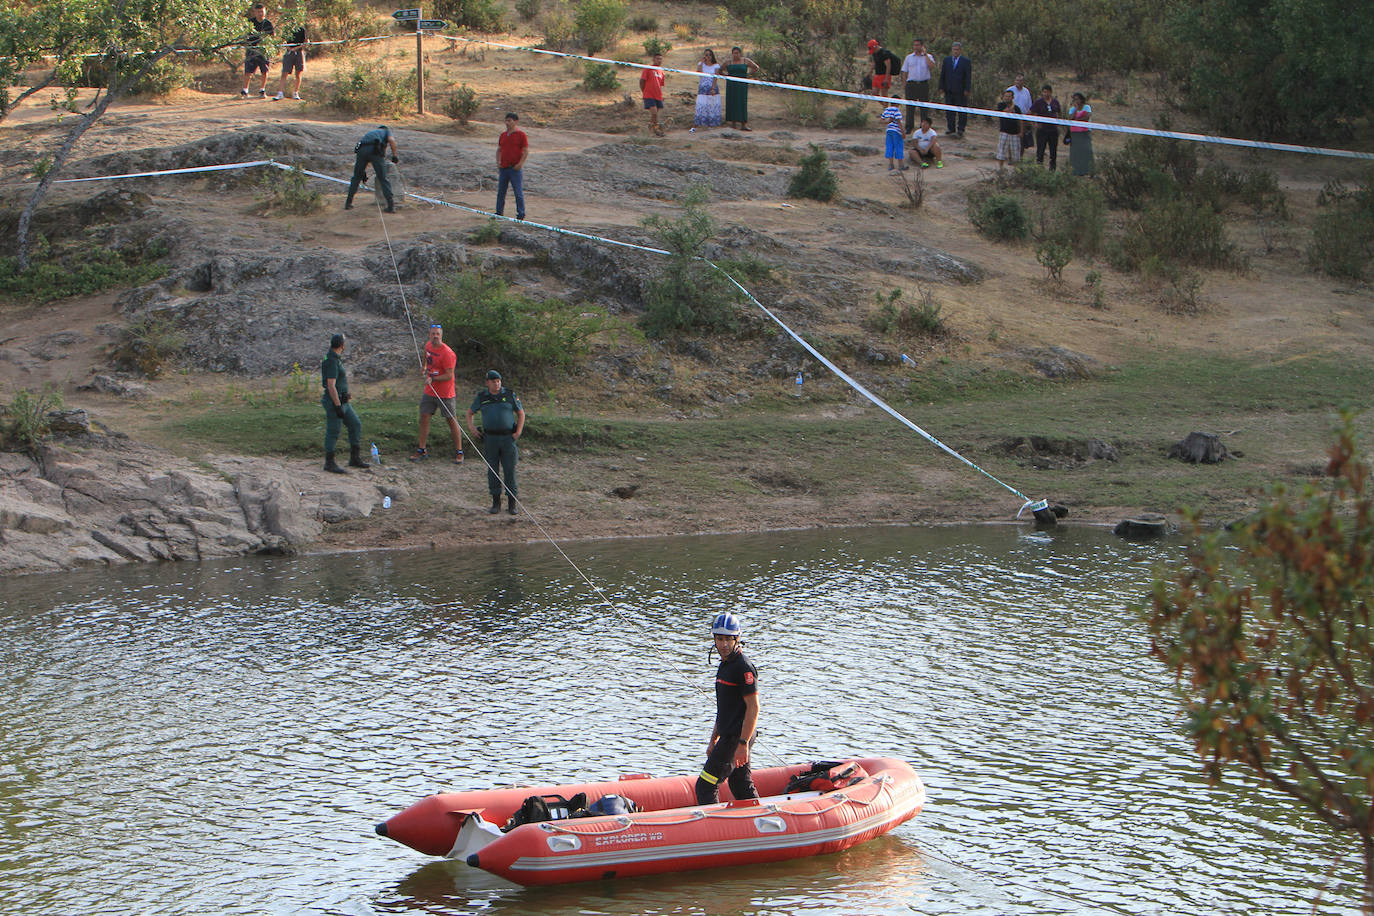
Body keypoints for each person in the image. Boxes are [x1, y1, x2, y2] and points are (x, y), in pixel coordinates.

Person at [695, 612, 760, 806]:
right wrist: (713, 738)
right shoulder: (724, 665)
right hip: (728, 735)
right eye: (719, 639)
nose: (723, 645)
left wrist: (742, 743)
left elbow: (753, 708)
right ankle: (756, 823)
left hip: (737, 737)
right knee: (740, 783)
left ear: (737, 639)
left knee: (705, 786)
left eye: (728, 640)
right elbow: (724, 708)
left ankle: (714, 832)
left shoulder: (743, 667)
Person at [466, 370, 525, 515]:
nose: (496, 384)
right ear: (487, 383)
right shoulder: (482, 397)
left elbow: (521, 413)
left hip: (507, 439)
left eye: (498, 381)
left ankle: (512, 503)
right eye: (493, 381)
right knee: (492, 471)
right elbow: (470, 412)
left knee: (509, 470)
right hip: (490, 439)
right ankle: (495, 502)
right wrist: (472, 428)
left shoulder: (509, 395)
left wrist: (518, 432)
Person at [408, 324, 464, 464]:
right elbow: (426, 357)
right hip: (430, 390)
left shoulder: (448, 353)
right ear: (429, 335)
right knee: (424, 416)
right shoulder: (428, 346)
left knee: (451, 420)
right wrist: (424, 368)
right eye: (433, 334)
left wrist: (432, 378)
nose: (435, 336)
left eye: (437, 334)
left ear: (441, 335)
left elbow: (449, 375)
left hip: (445, 392)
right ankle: (422, 449)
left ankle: (459, 451)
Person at [320, 332, 366, 474]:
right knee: (333, 430)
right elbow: (331, 385)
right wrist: (338, 405)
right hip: (335, 402)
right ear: (342, 345)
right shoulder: (332, 361)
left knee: (355, 424)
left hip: (343, 400)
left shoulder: (335, 358)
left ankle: (354, 457)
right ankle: (329, 462)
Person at [345, 125, 398, 212]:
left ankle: (348, 203)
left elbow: (366, 154)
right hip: (374, 150)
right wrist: (395, 156)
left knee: (356, 177)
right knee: (383, 178)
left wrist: (363, 172)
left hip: (361, 150)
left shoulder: (372, 133)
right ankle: (391, 206)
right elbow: (391, 141)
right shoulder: (386, 132)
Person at [495, 112, 528, 221]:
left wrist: (520, 164)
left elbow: (525, 151)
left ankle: (521, 214)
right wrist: (498, 161)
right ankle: (498, 213)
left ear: (515, 122)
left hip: (514, 168)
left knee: (518, 192)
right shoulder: (503, 135)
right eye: (506, 121)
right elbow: (499, 149)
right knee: (501, 192)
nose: (507, 123)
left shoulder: (521, 135)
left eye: (510, 121)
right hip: (504, 168)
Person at [899, 38, 936, 134]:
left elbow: (931, 66)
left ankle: (923, 127)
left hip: (923, 84)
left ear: (922, 46)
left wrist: (925, 54)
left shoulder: (928, 57)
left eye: (918, 45)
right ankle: (909, 127)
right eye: (914, 45)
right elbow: (905, 71)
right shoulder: (909, 57)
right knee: (910, 107)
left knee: (924, 107)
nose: (916, 47)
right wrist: (904, 84)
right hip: (911, 85)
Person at [938, 41, 972, 138]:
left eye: (957, 50)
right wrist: (941, 87)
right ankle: (951, 128)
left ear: (960, 50)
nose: (955, 51)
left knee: (961, 111)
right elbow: (943, 74)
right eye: (954, 49)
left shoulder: (966, 61)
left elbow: (968, 77)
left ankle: (961, 128)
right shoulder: (947, 60)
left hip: (961, 91)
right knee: (949, 110)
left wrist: (967, 89)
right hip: (949, 89)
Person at [240, 3, 274, 99]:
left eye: (262, 11)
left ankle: (262, 90)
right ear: (254, 12)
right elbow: (244, 36)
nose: (260, 13)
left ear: (265, 12)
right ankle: (245, 90)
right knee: (248, 71)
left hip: (263, 51)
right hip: (252, 50)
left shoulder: (268, 24)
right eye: (258, 12)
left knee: (264, 71)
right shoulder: (250, 22)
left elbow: (272, 37)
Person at [723, 47, 759, 131]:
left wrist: (748, 75)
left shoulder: (745, 61)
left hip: (742, 84)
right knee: (732, 102)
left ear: (740, 53)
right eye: (734, 53)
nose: (735, 55)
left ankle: (744, 124)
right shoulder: (728, 62)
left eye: (737, 53)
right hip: (731, 85)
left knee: (742, 102)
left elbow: (756, 67)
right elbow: (720, 70)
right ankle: (733, 124)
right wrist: (726, 76)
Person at [1030, 84, 1063, 170]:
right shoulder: (1039, 102)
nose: (1046, 94)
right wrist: (1035, 123)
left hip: (1053, 130)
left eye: (1047, 92)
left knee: (1053, 150)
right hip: (1042, 130)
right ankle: (1039, 168)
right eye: (1044, 92)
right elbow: (1032, 112)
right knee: (1040, 150)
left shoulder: (1055, 102)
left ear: (1051, 92)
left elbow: (1059, 113)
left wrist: (1058, 124)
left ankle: (1052, 169)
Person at [273, 21, 306, 101]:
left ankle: (295, 93)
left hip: (299, 52)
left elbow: (305, 42)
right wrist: (289, 48)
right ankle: (280, 93)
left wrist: (295, 48)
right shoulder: (287, 29)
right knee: (285, 72)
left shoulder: (302, 29)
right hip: (288, 52)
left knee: (298, 73)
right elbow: (283, 40)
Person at [694, 49, 723, 128]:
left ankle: (712, 124)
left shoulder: (716, 65)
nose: (708, 56)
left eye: (710, 55)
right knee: (702, 104)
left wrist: (713, 88)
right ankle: (699, 123)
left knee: (711, 105)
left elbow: (716, 77)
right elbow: (699, 73)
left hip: (712, 87)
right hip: (703, 88)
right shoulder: (700, 64)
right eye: (706, 55)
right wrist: (701, 62)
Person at [1006, 75, 1033, 158]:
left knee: (1021, 139)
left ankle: (1020, 157)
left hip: (1023, 118)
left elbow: (1029, 106)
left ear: (1023, 81)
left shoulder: (1026, 91)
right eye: (1017, 80)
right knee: (1010, 138)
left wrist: (1028, 118)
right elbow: (1005, 103)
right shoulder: (1010, 90)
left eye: (1020, 80)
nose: (1018, 82)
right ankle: (1011, 157)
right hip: (1012, 117)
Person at [1067, 91, 1094, 175]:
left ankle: (1089, 170)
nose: (1076, 101)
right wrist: (1075, 109)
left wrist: (1077, 120)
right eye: (1074, 99)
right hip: (1075, 133)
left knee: (1087, 150)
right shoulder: (1072, 109)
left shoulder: (1086, 107)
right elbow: (1070, 119)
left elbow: (1086, 117)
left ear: (1081, 100)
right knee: (1075, 152)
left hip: (1085, 132)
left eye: (1077, 99)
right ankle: (1075, 170)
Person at [640, 52, 666, 136]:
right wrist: (644, 91)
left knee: (654, 115)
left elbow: (660, 84)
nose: (659, 61)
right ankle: (656, 129)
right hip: (649, 94)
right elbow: (642, 81)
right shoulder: (648, 68)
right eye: (657, 59)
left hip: (658, 95)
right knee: (654, 113)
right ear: (653, 59)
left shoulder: (661, 71)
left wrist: (661, 96)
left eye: (660, 59)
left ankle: (649, 128)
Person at [995, 89, 1021, 169]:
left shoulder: (1017, 108)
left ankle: (1016, 171)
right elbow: (1007, 111)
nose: (1007, 98)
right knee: (1001, 152)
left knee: (1016, 154)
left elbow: (1021, 120)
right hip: (1004, 132)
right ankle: (1000, 169)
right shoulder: (1001, 105)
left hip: (1014, 133)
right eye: (1006, 96)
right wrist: (1012, 105)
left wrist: (1021, 132)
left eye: (1009, 96)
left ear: (1013, 97)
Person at [882, 95, 907, 172]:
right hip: (897, 131)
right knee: (899, 147)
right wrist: (903, 132)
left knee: (890, 146)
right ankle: (900, 165)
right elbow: (899, 122)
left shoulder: (887, 110)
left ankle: (891, 164)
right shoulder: (897, 111)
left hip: (889, 130)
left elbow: (882, 120)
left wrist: (888, 121)